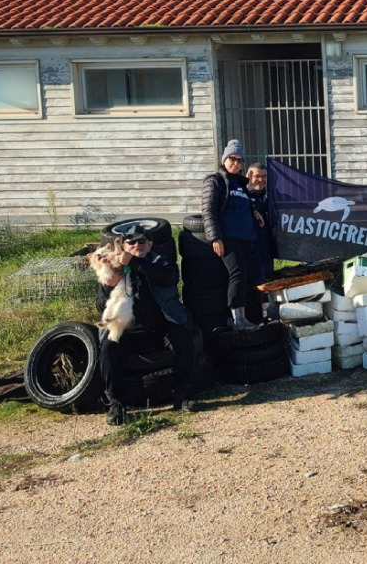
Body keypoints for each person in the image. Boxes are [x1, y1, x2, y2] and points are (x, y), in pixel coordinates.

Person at [99, 224, 197, 425]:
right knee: (108, 348)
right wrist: (106, 287)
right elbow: (101, 305)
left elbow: (168, 277)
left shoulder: (160, 261)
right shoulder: (113, 267)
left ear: (150, 244)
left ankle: (182, 394)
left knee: (183, 337)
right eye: (131, 242)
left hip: (160, 325)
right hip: (127, 329)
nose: (137, 245)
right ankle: (117, 404)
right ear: (123, 246)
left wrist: (135, 262)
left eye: (142, 241)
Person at [201, 140, 260, 330]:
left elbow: (243, 204)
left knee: (245, 275)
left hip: (245, 238)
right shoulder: (215, 180)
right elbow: (208, 210)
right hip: (228, 237)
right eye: (232, 159)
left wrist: (254, 212)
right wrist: (215, 238)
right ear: (224, 159)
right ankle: (238, 320)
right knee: (237, 273)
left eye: (240, 160)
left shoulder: (241, 184)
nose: (236, 163)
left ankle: (244, 317)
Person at [244, 162, 275, 320]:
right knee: (253, 284)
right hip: (249, 247)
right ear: (249, 176)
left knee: (268, 280)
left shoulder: (270, 196)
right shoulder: (243, 196)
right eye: (257, 176)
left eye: (264, 176)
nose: (261, 180)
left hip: (267, 247)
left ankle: (267, 315)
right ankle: (252, 317)